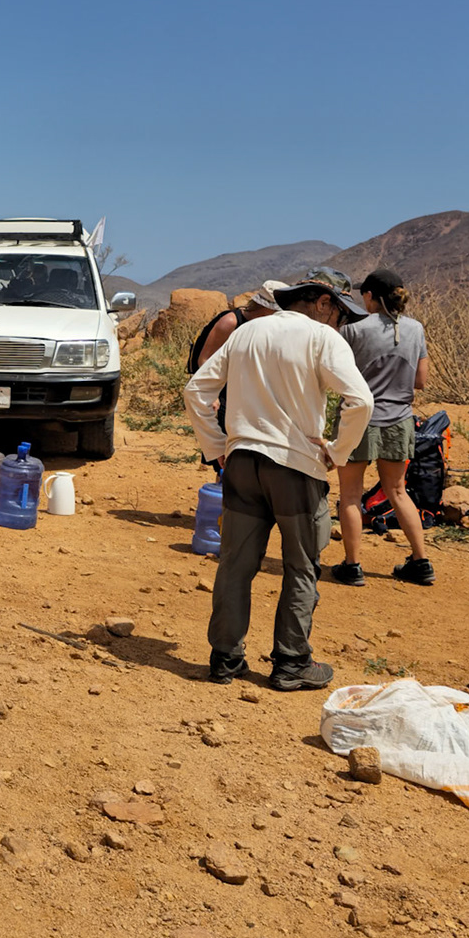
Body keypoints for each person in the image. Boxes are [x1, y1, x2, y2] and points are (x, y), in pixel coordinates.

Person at [183, 278, 372, 691]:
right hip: (296, 468)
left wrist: (217, 446)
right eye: (340, 313)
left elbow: (197, 388)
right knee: (301, 567)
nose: (340, 324)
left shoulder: (247, 332)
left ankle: (225, 658)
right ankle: (291, 663)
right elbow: (361, 401)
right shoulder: (322, 338)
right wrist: (338, 453)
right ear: (323, 304)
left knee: (234, 565)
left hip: (242, 464)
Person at [331, 269, 434, 587]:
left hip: (359, 420)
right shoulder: (415, 329)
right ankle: (421, 562)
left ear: (372, 297)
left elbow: (336, 375)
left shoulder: (354, 330)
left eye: (365, 294)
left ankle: (352, 566)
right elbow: (421, 381)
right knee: (398, 491)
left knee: (350, 496)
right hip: (400, 420)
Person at [188, 279, 287, 456]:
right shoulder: (231, 322)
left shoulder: (267, 326)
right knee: (227, 448)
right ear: (265, 307)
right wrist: (214, 394)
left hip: (246, 391)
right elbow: (204, 359)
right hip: (224, 391)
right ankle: (223, 483)